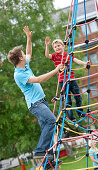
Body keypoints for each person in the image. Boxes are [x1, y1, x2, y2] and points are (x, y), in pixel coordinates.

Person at [7, 27, 63, 160]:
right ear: (20, 58)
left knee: (47, 129)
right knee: (52, 122)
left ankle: (48, 158)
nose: (26, 56)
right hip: (35, 104)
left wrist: (29, 38)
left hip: (42, 101)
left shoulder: (24, 65)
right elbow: (39, 79)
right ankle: (39, 151)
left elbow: (28, 52)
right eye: (23, 55)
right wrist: (56, 70)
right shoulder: (19, 74)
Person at [45, 37, 88, 120]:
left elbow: (76, 60)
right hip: (62, 81)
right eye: (55, 47)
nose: (57, 48)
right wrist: (47, 46)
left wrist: (84, 63)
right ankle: (71, 117)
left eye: (59, 46)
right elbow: (47, 55)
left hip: (71, 79)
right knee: (67, 100)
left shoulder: (68, 55)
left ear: (63, 46)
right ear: (54, 49)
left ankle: (80, 113)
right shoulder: (54, 56)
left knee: (78, 96)